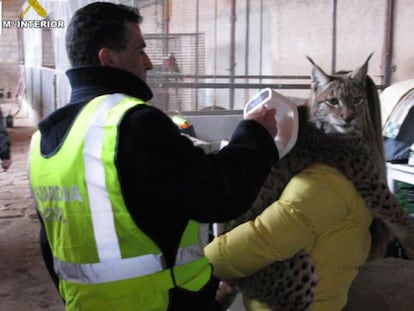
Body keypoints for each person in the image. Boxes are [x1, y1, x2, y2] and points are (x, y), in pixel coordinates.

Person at [28, 2, 279, 311]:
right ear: (108, 58)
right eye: (140, 50)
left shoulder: (44, 140)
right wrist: (254, 133)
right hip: (163, 302)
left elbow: (50, 247)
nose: (148, 63)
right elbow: (218, 194)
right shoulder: (132, 123)